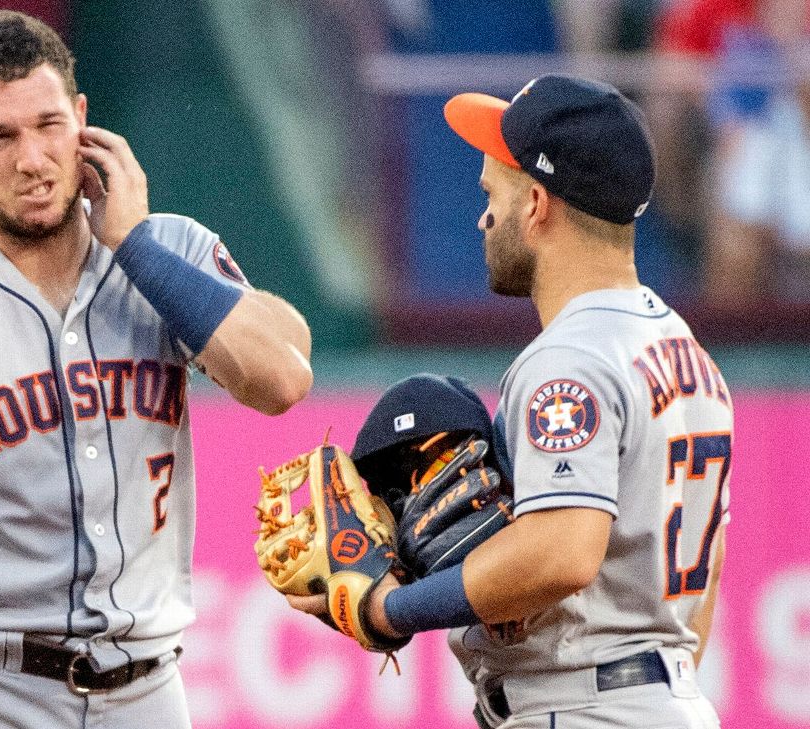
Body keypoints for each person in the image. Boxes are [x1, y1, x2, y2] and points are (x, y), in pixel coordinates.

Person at [0, 10, 312, 728]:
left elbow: (281, 379)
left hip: (151, 687)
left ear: (84, 118)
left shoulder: (167, 252)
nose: (32, 158)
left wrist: (136, 245)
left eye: (48, 124)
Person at [292, 74, 732, 728]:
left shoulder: (569, 360)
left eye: (491, 193)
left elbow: (561, 551)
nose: (483, 216)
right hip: (656, 697)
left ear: (535, 203)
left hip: (588, 708)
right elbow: (703, 591)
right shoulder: (684, 350)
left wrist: (388, 609)